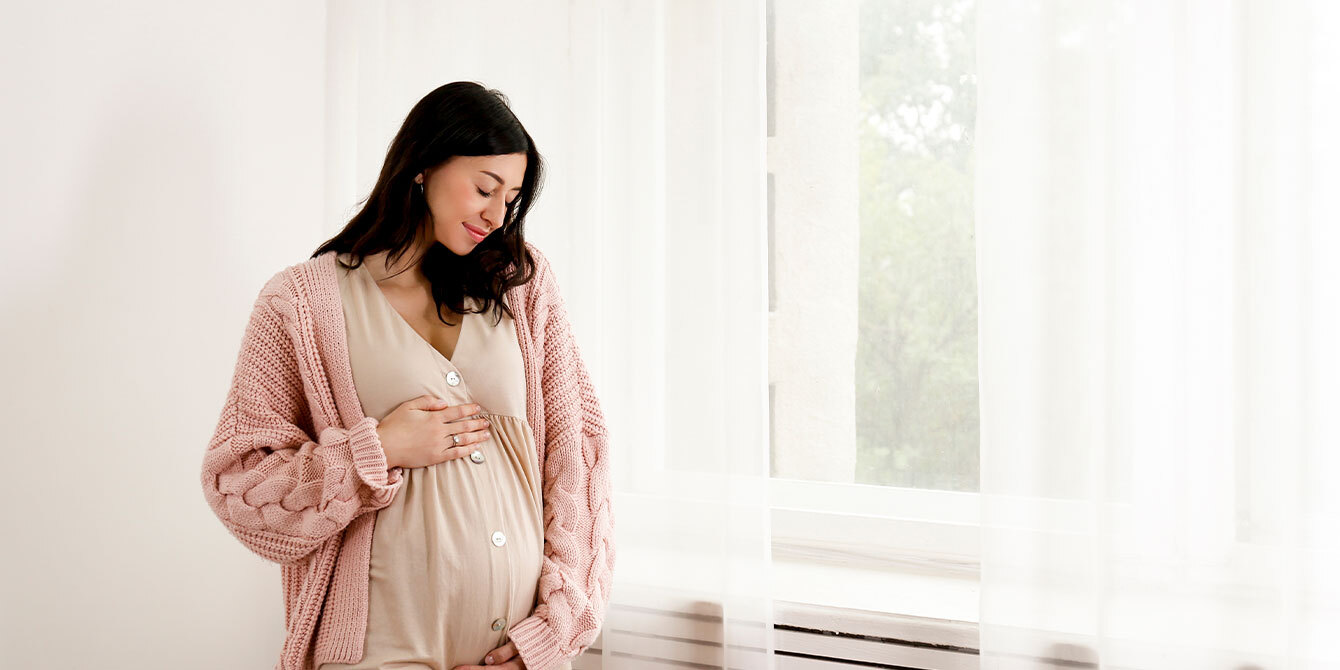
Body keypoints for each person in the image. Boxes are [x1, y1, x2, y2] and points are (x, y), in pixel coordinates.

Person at [200, 81, 615, 670]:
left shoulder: (522, 285)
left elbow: (578, 460)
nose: (496, 216)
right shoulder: (300, 303)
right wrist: (376, 450)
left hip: (512, 655)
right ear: (423, 167)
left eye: (511, 198)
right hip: (378, 646)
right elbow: (237, 484)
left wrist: (550, 637)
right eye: (483, 189)